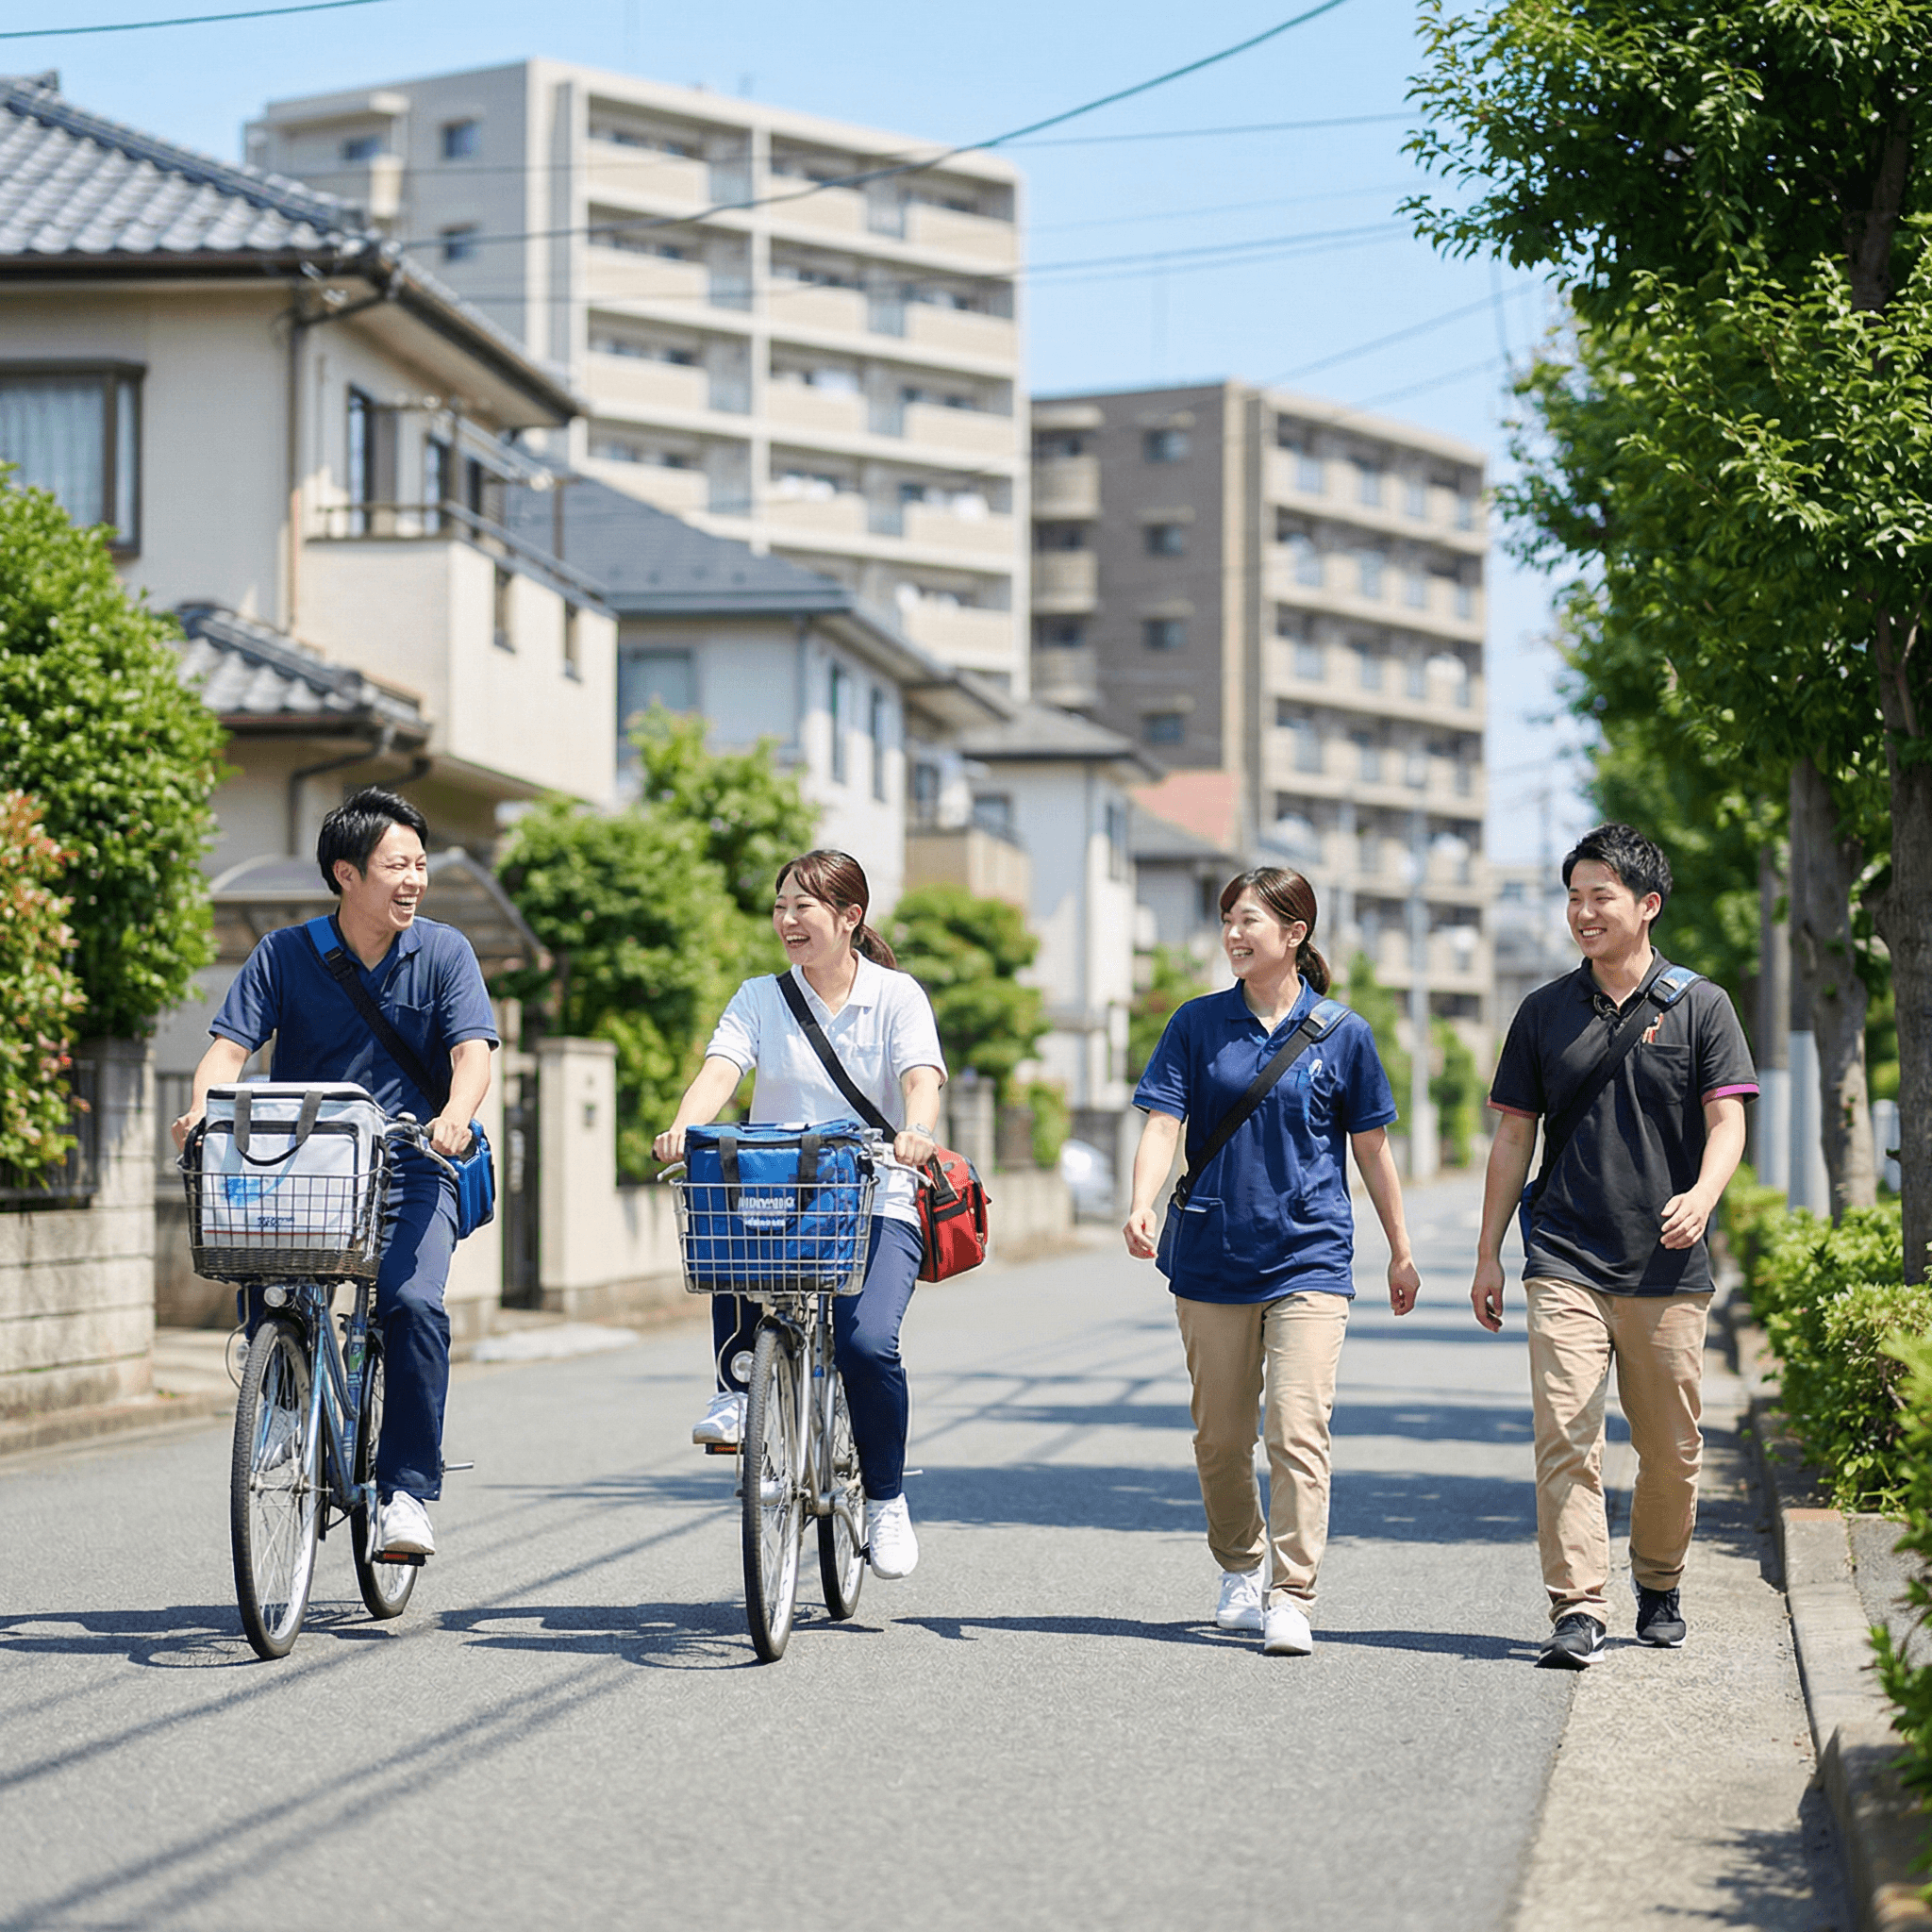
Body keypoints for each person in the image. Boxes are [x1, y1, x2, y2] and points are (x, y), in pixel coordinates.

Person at [171, 788, 495, 1559]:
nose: (414, 879)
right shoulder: (285, 954)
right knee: (264, 1259)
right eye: (397, 865)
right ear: (347, 874)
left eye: (420, 864)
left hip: (416, 1160)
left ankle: (408, 1491)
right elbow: (228, 1050)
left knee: (412, 1304)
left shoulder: (445, 952)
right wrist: (202, 1108)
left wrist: (454, 1113)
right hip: (307, 1164)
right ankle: (282, 1388)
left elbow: (471, 1053)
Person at [1471, 823, 1757, 1669]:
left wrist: (1703, 1196)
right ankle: (1579, 1606)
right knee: (1566, 1432)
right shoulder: (1543, 1011)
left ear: (1647, 905)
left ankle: (1659, 1580)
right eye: (1574, 897)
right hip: (1564, 1254)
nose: (1582, 912)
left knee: (1671, 1447)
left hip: (1668, 1266)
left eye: (1601, 896)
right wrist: (1490, 1252)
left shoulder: (1702, 1005)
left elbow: (1727, 1119)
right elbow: (1513, 1138)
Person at [1124, 867, 1421, 1656]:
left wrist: (1400, 1248)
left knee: (1297, 1428)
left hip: (1310, 1255)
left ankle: (1292, 1593)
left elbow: (1372, 1150)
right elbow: (1161, 1122)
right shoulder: (1196, 1024)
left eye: (1248, 920)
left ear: (1294, 935)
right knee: (1221, 1437)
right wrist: (1143, 1198)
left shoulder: (1343, 1033)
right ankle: (1239, 1564)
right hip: (1214, 1253)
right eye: (1226, 920)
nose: (1232, 933)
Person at [654, 850, 945, 1580]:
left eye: (803, 907)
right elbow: (721, 1068)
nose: (787, 920)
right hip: (780, 1194)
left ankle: (884, 1500)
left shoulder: (897, 996)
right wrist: (687, 1125)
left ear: (850, 918)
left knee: (868, 1343)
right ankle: (736, 1383)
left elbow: (921, 1076)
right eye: (780, 905)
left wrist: (916, 1128)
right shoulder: (759, 996)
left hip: (876, 1193)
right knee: (720, 1212)